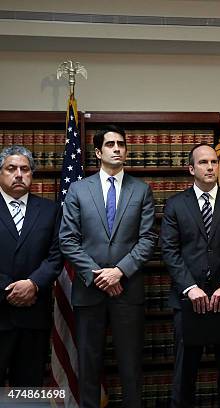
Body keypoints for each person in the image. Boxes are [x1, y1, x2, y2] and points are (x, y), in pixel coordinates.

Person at [59, 125, 157, 408]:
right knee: (88, 365)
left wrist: (119, 272)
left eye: (121, 144)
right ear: (98, 151)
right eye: (111, 144)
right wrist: (99, 275)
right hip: (89, 292)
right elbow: (68, 240)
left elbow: (148, 238)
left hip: (128, 290)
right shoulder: (78, 190)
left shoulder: (141, 190)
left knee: (131, 365)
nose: (117, 148)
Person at [160, 144, 220, 408]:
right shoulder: (176, 205)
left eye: (213, 162)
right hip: (189, 302)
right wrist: (189, 287)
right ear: (191, 169)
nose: (210, 167)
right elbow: (169, 250)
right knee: (184, 373)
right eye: (203, 162)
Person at [0, 145, 63, 386]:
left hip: (34, 314)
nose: (18, 174)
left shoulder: (50, 210)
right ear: (0, 172)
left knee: (28, 389)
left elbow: (57, 254)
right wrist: (10, 290)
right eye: (11, 168)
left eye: (25, 169)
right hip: (0, 311)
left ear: (32, 174)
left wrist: (33, 284)